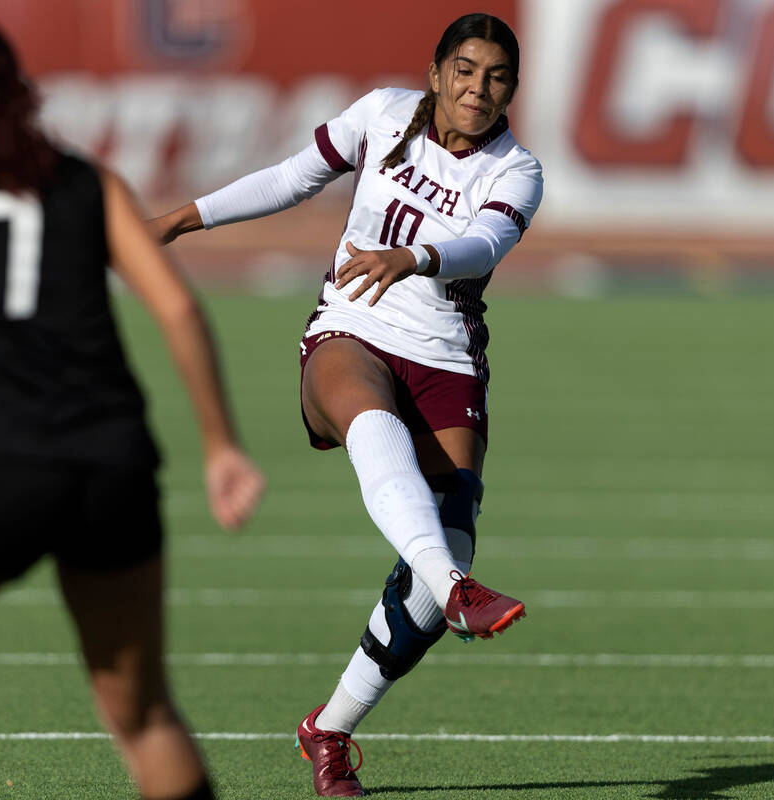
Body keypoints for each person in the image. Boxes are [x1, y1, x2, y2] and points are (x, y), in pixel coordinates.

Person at [0, 12, 265, 800]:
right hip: (111, 468)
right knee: (144, 715)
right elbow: (178, 309)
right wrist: (221, 445)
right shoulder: (86, 183)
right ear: (17, 91)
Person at [152, 12, 541, 797]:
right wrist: (182, 218)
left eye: (496, 77)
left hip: (445, 362)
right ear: (436, 73)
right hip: (350, 329)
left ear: (512, 92)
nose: (477, 88)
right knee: (373, 428)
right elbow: (293, 176)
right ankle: (458, 587)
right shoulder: (382, 113)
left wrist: (414, 257)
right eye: (464, 70)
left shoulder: (516, 170)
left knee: (437, 570)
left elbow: (485, 247)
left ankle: (329, 729)